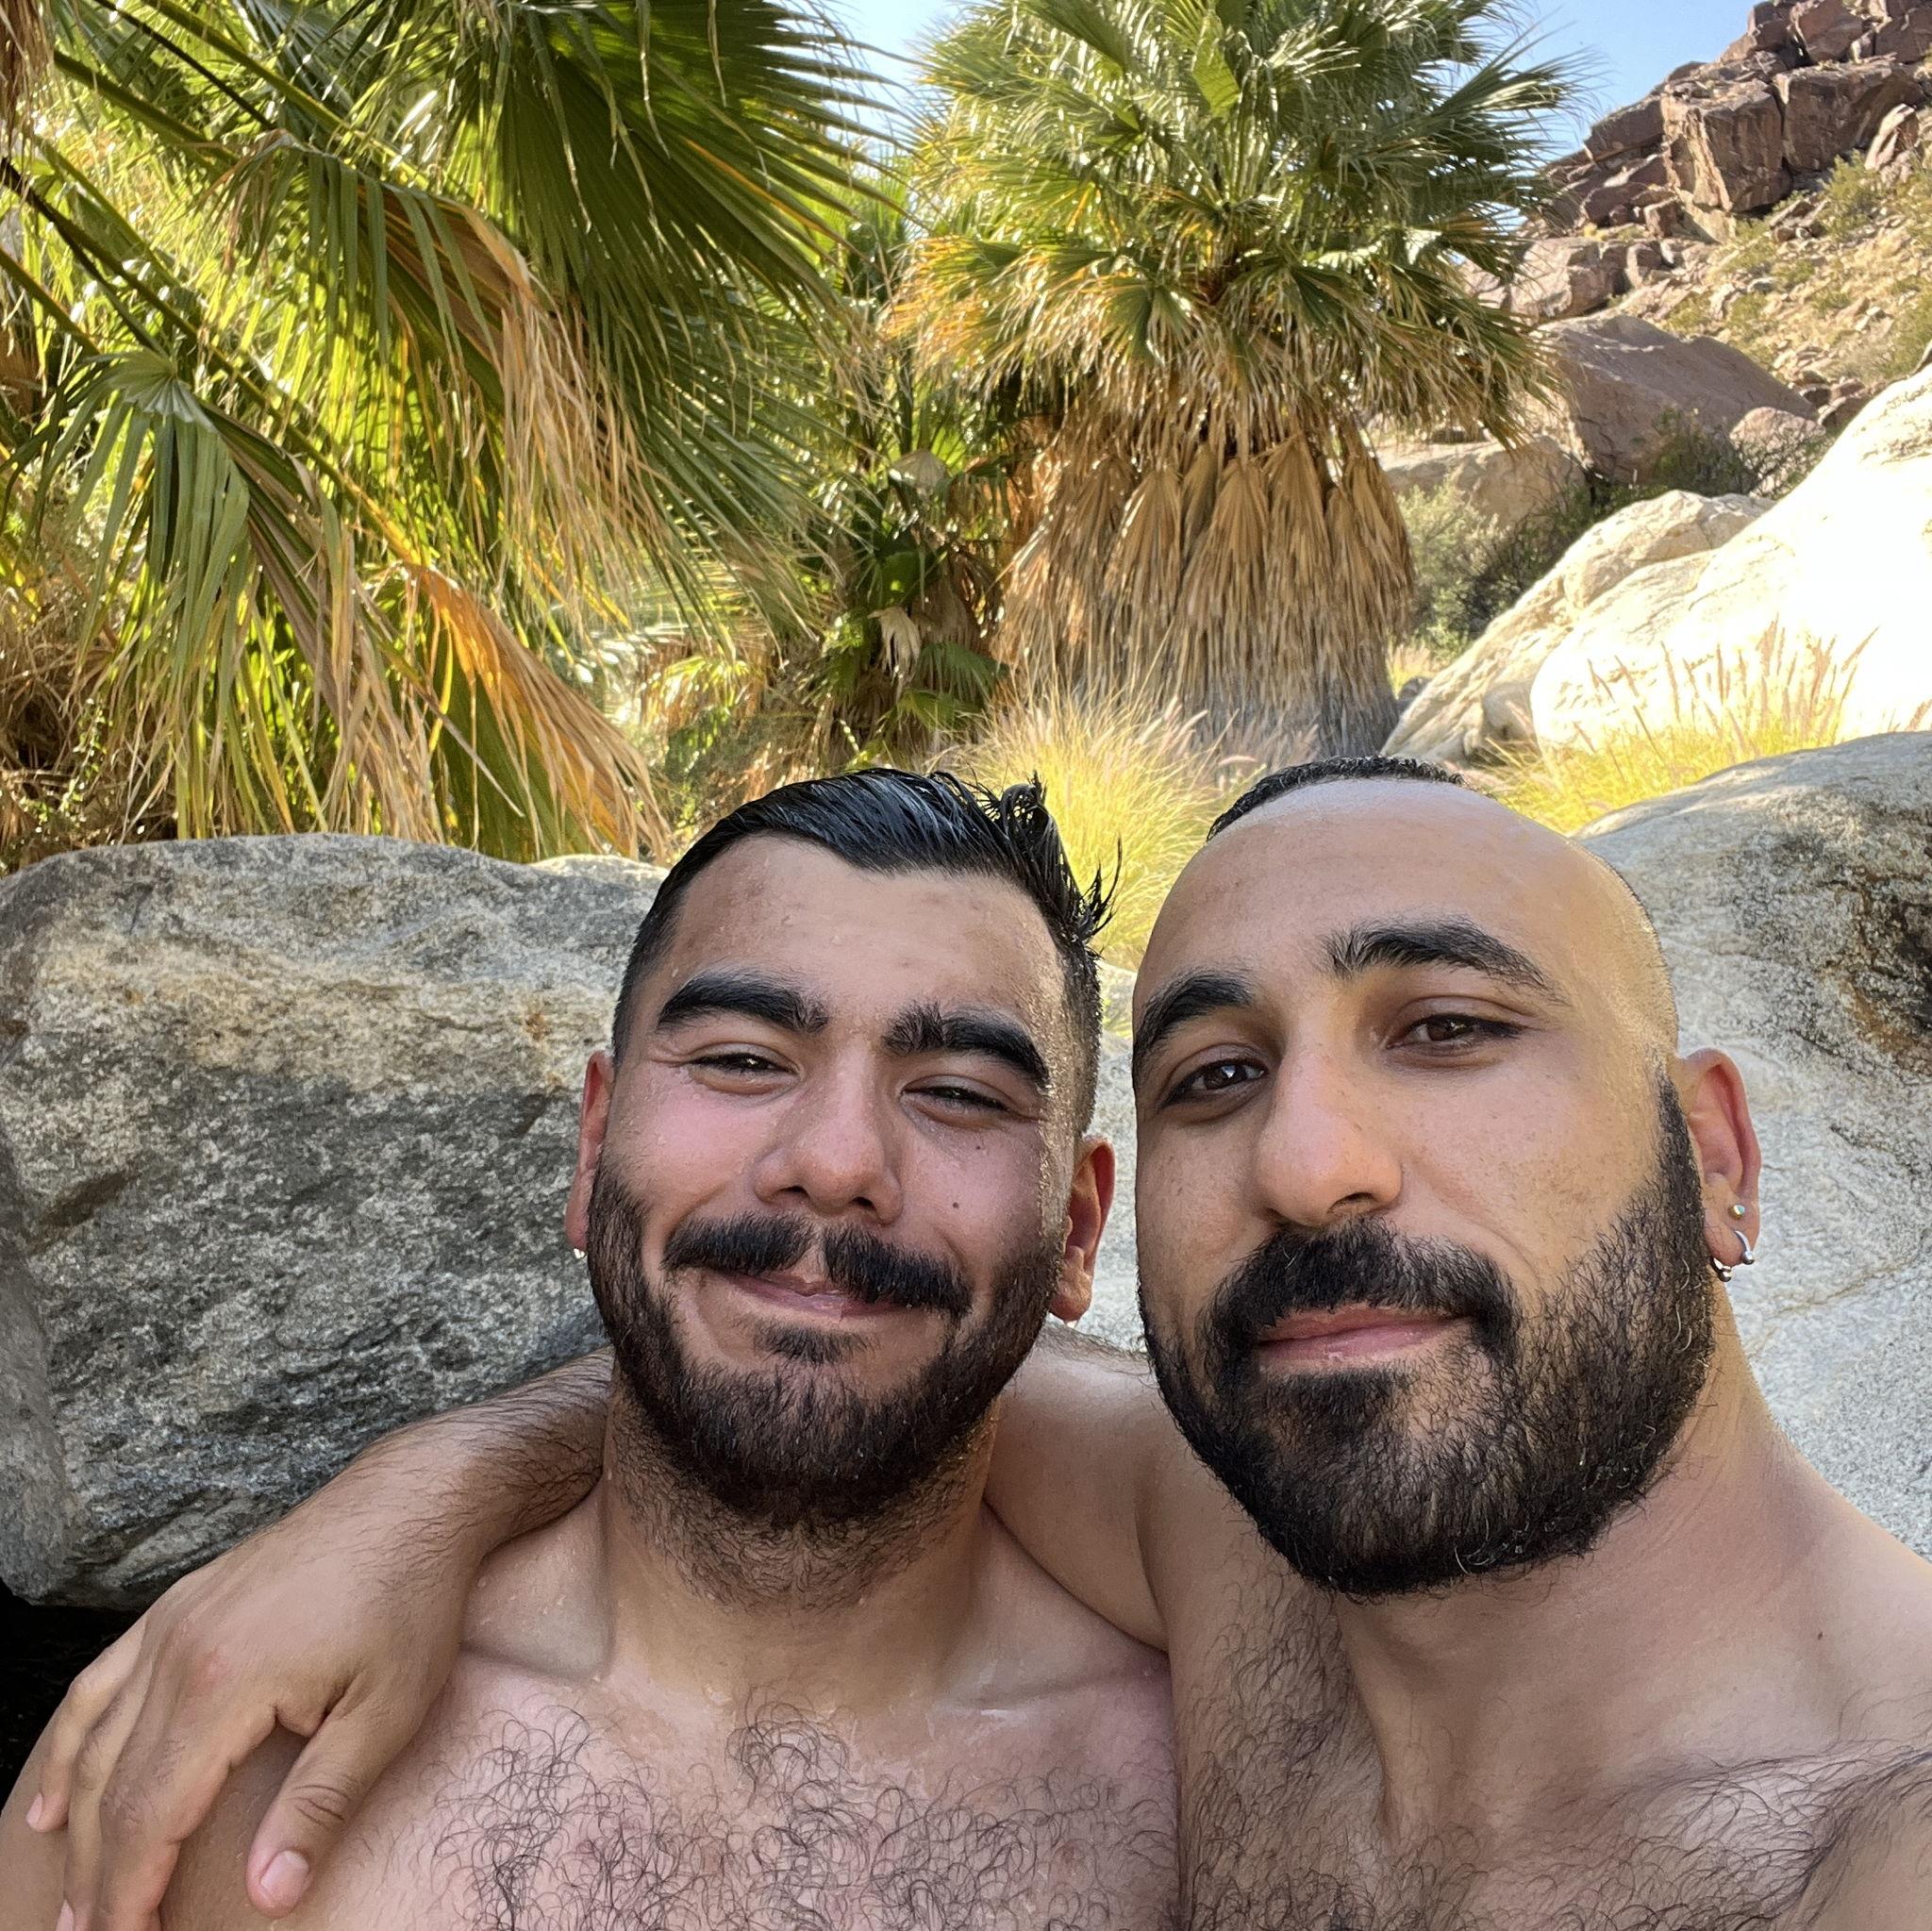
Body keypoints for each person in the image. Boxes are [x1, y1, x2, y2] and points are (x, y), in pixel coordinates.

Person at [15, 757, 1932, 1927]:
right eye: (1218, 1075)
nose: (1311, 1161)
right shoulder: (1256, 1583)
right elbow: (837, 1363)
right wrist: (416, 1489)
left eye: (1445, 1027)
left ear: (1718, 1158)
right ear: (593, 1138)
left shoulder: (1857, 1836)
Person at [0, 769, 1179, 1930]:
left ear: (1075, 1225)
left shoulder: (1221, 1776)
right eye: (741, 1059)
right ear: (594, 1142)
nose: (835, 1161)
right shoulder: (198, 1764)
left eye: (960, 1093)